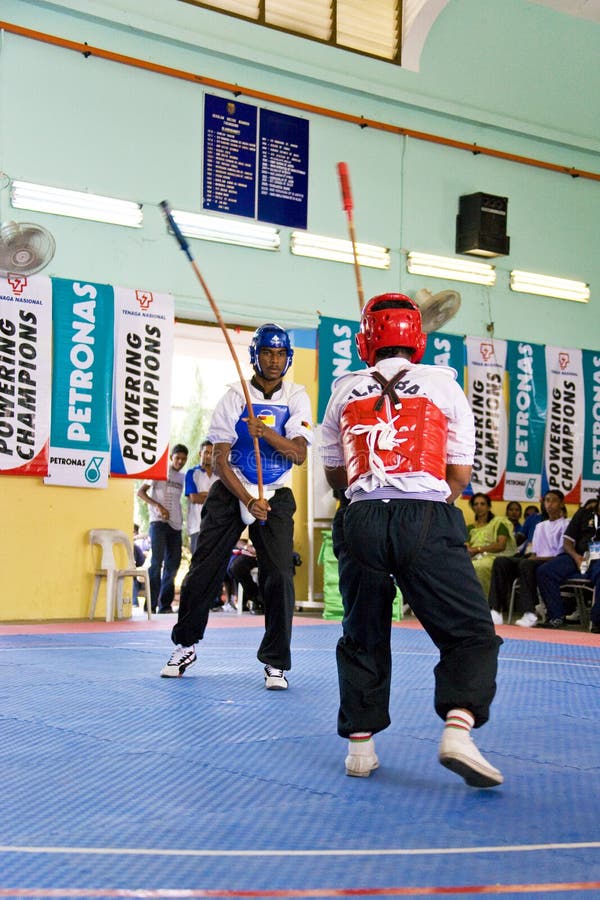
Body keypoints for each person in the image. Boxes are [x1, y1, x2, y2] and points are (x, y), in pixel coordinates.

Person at [319, 293, 503, 788]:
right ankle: (458, 731)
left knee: (362, 632)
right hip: (424, 514)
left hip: (359, 520)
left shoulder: (342, 390)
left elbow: (336, 475)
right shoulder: (445, 385)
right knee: (469, 632)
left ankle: (360, 748)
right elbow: (458, 474)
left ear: (366, 342)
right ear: (416, 339)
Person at [159, 323, 313, 688]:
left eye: (280, 354)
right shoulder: (233, 396)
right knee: (204, 568)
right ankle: (185, 644)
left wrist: (266, 432)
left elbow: (300, 454)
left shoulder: (297, 397)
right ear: (255, 356)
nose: (273, 361)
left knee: (278, 574)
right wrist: (246, 499)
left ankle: (275, 662)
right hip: (232, 491)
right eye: (266, 353)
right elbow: (219, 461)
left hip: (276, 491)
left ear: (287, 358)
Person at [488, 490, 568, 626]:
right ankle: (495, 610)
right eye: (547, 500)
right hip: (535, 560)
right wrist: (529, 558)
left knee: (526, 564)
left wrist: (532, 560)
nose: (550, 504)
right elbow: (534, 552)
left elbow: (559, 554)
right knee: (501, 561)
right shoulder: (540, 526)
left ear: (561, 503)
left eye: (554, 501)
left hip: (552, 562)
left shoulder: (566, 524)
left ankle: (529, 613)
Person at [137, 444, 189, 614]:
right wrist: (158, 506)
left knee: (173, 565)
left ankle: (165, 605)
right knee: (156, 563)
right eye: (177, 458)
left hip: (175, 524)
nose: (180, 461)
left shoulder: (183, 477)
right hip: (158, 523)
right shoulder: (159, 471)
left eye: (183, 459)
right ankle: (150, 605)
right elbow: (141, 492)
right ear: (171, 457)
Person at [537, 495, 600, 631]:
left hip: (598, 559)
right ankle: (556, 617)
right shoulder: (583, 513)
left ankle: (597, 621)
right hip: (577, 555)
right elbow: (567, 542)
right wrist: (576, 557)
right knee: (545, 571)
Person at [466, 493, 517, 599]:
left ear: (489, 506)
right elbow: (466, 546)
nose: (479, 507)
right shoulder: (470, 527)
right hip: (472, 557)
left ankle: (484, 602)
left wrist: (478, 549)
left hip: (493, 557)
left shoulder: (499, 523)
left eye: (482, 504)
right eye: (476, 504)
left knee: (478, 567)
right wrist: (470, 551)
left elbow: (500, 546)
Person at [185, 441, 218, 554]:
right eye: (206, 452)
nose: (209, 455)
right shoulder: (192, 473)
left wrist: (204, 494)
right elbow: (194, 498)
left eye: (212, 453)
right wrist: (213, 497)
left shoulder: (218, 476)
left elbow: (222, 501)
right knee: (196, 564)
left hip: (215, 526)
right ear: (200, 453)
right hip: (196, 526)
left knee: (212, 564)